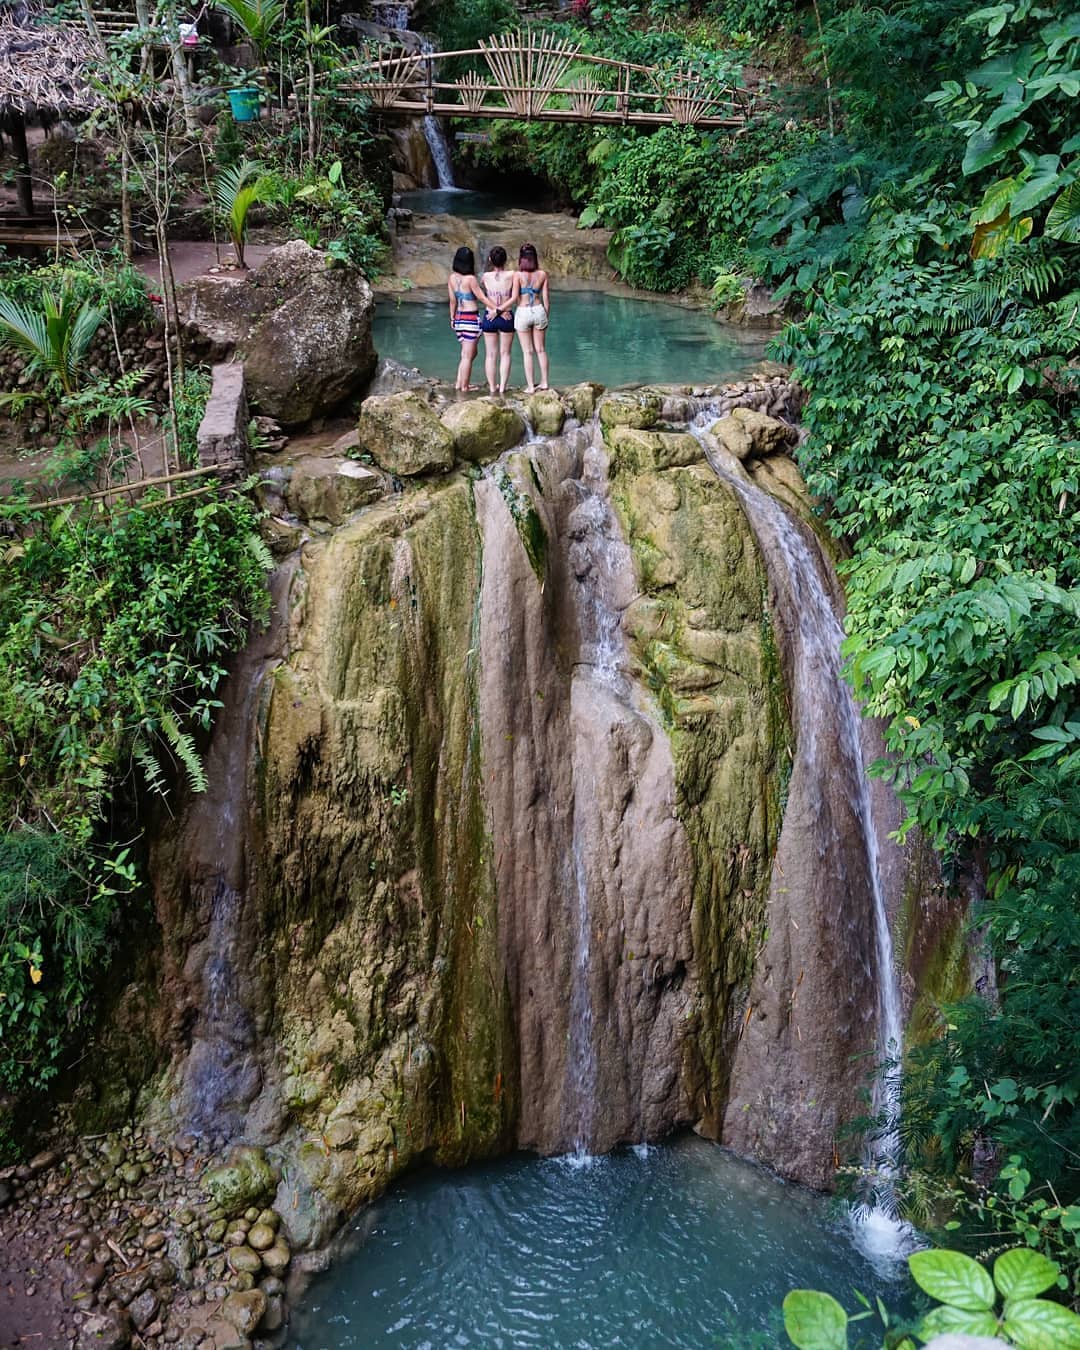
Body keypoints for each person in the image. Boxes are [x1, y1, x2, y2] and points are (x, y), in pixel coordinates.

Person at [447, 246, 494, 392]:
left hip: (459, 319)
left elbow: (452, 301)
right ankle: (465, 387)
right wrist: (496, 308)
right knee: (468, 356)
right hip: (470, 319)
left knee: (468, 354)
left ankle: (459, 383)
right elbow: (481, 297)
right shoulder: (470, 279)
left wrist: (452, 318)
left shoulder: (452, 278)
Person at [512, 243, 550, 393]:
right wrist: (545, 314)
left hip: (523, 310)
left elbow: (515, 297)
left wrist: (519, 308)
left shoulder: (517, 275)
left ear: (521, 259)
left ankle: (530, 387)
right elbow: (546, 298)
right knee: (540, 350)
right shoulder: (542, 274)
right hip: (538, 309)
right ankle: (545, 382)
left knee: (527, 352)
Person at [479, 246, 515, 395]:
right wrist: (501, 310)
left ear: (490, 260)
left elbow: (484, 296)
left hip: (489, 317)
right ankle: (502, 388)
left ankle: (492, 387)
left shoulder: (485, 277)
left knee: (490, 355)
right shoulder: (513, 275)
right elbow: (514, 297)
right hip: (506, 316)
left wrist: (494, 310)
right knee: (505, 353)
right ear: (505, 260)